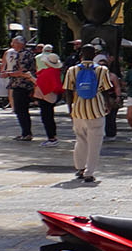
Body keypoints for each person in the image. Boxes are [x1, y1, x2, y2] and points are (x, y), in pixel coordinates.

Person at [64, 54, 111, 184]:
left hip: (78, 109)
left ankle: (80, 168)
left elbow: (67, 90)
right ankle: (89, 172)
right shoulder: (102, 70)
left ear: (80, 56)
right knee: (95, 143)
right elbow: (106, 89)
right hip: (96, 109)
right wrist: (107, 104)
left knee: (80, 139)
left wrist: (70, 108)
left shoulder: (72, 70)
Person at [2, 35, 38, 141]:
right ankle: (25, 132)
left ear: (20, 44)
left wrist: (8, 74)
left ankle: (26, 133)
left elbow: (23, 72)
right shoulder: (20, 53)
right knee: (20, 110)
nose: (12, 45)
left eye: (14, 42)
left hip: (22, 85)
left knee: (21, 109)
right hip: (18, 84)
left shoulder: (25, 54)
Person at [33, 46, 64, 147]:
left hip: (47, 96)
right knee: (49, 116)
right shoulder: (55, 71)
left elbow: (40, 83)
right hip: (52, 96)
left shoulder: (47, 72)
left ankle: (51, 138)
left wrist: (29, 77)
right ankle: (52, 137)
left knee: (46, 117)